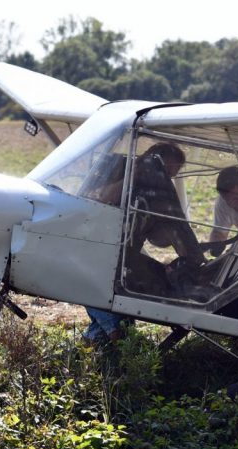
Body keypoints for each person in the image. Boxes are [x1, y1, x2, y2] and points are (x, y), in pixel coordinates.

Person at [82, 141, 198, 343]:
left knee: (124, 303)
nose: (166, 179)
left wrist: (188, 256)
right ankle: (113, 336)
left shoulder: (156, 191)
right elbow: (100, 197)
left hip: (126, 258)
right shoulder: (119, 169)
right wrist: (135, 174)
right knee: (101, 298)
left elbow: (160, 238)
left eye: (169, 176)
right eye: (164, 171)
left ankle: (97, 343)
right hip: (95, 249)